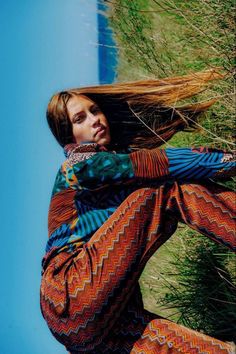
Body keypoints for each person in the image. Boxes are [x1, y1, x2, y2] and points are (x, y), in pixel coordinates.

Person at [40, 70, 235, 354]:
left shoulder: (106, 167)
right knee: (163, 189)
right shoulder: (77, 168)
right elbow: (155, 165)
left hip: (87, 326)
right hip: (71, 290)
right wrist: (227, 160)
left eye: (95, 110)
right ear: (67, 135)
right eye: (80, 119)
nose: (95, 120)